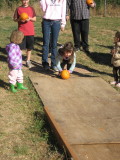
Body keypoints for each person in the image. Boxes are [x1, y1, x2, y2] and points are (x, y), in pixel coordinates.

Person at [40, 0, 66, 71]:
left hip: (56, 22)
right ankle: (45, 63)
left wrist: (63, 23)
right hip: (46, 21)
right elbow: (44, 9)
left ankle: (53, 64)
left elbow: (63, 11)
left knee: (54, 44)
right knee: (46, 43)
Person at [13, 0, 36, 68]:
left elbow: (34, 19)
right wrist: (19, 19)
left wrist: (30, 19)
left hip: (30, 31)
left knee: (29, 47)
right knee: (20, 47)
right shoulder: (18, 9)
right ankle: (19, 61)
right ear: (21, 1)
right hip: (21, 32)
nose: (25, 2)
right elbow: (14, 19)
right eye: (23, 0)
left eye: (26, 0)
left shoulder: (31, 8)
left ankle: (28, 61)